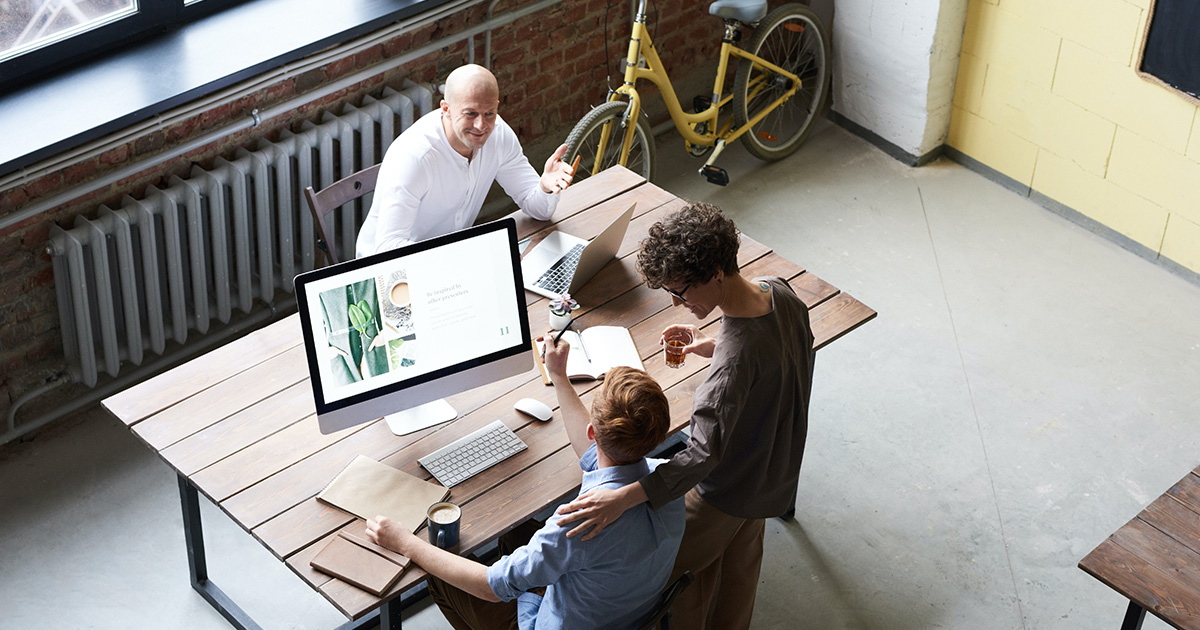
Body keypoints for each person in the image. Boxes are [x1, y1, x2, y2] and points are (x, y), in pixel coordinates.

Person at [553, 202, 817, 629]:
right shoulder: (777, 290)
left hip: (726, 489)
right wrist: (715, 343)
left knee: (674, 576)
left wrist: (622, 497)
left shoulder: (731, 370)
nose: (677, 303)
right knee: (738, 576)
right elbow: (779, 347)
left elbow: (699, 456)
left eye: (681, 292)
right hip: (771, 470)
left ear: (715, 272)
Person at [364, 350, 686, 630]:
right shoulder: (669, 480)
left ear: (592, 430)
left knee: (437, 571)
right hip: (624, 614)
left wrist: (405, 542)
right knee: (515, 534)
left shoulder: (578, 522)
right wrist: (558, 376)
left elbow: (492, 586)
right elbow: (594, 457)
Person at [355, 64, 574, 257]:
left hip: (453, 257)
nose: (481, 126)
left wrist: (545, 187)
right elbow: (388, 249)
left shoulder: (499, 136)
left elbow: (539, 210)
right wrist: (459, 262)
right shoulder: (415, 158)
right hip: (392, 272)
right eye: (470, 114)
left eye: (490, 113)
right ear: (446, 110)